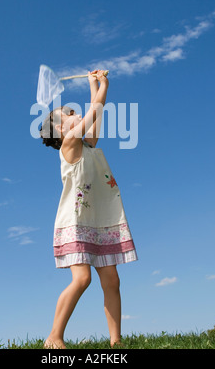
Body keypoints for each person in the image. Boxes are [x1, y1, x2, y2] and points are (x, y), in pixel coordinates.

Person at [39, 69, 138, 349]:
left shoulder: (88, 144)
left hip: (101, 222)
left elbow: (95, 116)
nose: (74, 113)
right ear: (60, 130)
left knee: (112, 281)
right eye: (67, 114)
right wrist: (103, 85)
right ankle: (54, 336)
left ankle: (116, 342)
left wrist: (93, 84)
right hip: (76, 222)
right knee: (82, 279)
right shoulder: (70, 145)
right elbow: (94, 111)